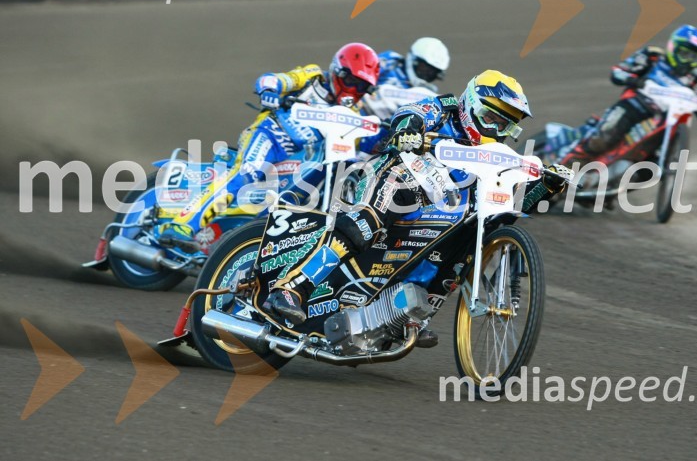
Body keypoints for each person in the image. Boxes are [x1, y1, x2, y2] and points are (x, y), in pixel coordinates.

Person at [261, 69, 573, 327]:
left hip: (436, 214)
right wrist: (409, 130)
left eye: (505, 125)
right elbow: (410, 113)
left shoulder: (495, 156)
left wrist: (545, 186)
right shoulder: (446, 106)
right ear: (473, 105)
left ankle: (409, 317)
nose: (496, 130)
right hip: (397, 175)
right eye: (492, 119)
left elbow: (510, 211)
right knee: (367, 221)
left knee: (465, 246)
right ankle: (293, 288)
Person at [158, 43, 380, 251]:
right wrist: (270, 92)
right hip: (271, 134)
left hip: (302, 161)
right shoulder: (312, 77)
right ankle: (182, 224)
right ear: (336, 72)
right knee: (247, 174)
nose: (354, 91)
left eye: (362, 87)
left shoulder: (355, 115)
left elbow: (364, 147)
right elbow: (272, 80)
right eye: (352, 82)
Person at [566, 24, 697, 162]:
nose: (690, 61)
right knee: (603, 138)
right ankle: (564, 165)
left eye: (695, 57)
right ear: (673, 48)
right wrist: (636, 80)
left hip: (663, 122)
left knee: (649, 169)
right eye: (686, 54)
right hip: (634, 106)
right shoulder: (653, 56)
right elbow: (618, 72)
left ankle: (609, 190)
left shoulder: (694, 79)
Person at [360, 37, 451, 154]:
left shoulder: (429, 94)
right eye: (424, 69)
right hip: (364, 117)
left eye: (432, 73)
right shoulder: (387, 63)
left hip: (393, 131)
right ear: (413, 60)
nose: (426, 75)